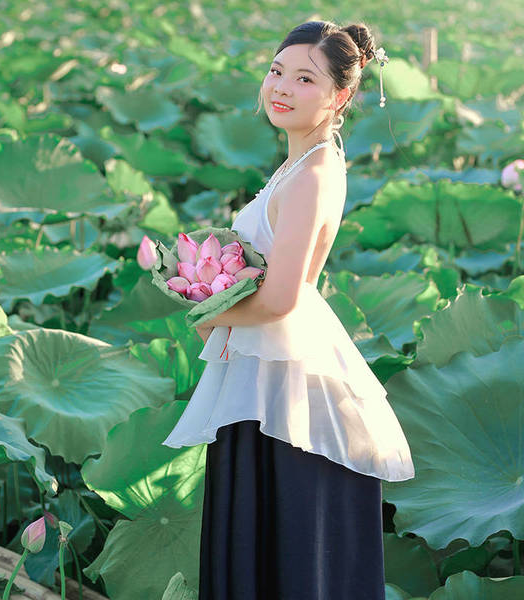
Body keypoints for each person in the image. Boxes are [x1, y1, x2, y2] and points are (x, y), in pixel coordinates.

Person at [162, 20, 415, 600]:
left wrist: (207, 315)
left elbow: (283, 297)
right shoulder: (301, 165)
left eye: (305, 79)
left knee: (282, 552)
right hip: (269, 367)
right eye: (277, 71)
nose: (281, 87)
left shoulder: (313, 175)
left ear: (340, 96)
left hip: (285, 384)